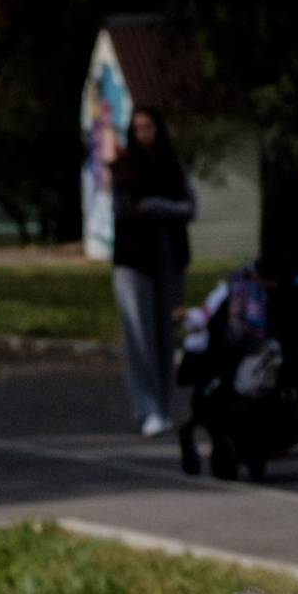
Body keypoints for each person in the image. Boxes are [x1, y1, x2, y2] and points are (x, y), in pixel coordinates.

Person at [111, 104, 196, 437]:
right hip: (134, 259)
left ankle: (162, 406)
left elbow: (190, 207)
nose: (144, 133)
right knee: (140, 336)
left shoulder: (172, 165)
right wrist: (145, 209)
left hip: (168, 256)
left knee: (164, 335)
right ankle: (146, 408)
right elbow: (124, 210)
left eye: (149, 126)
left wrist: (157, 207)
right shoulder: (125, 165)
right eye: (138, 127)